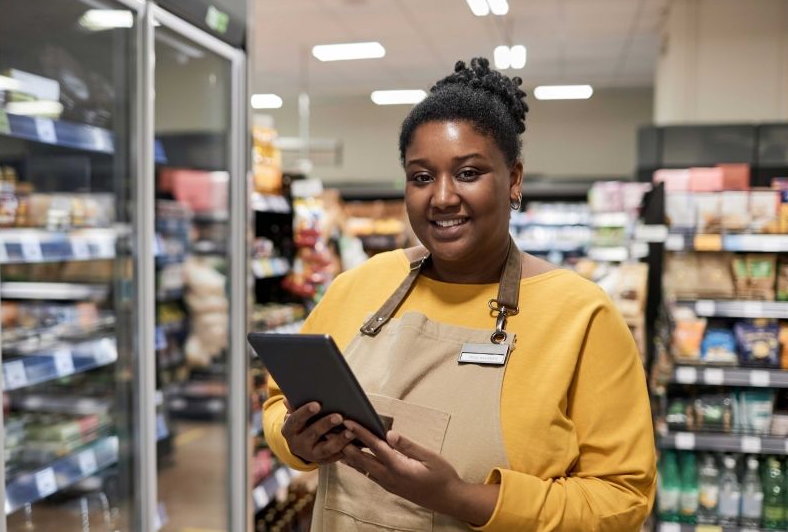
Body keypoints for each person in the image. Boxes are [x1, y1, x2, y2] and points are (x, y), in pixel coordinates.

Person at [261, 57, 656, 531]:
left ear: (514, 179)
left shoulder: (580, 315)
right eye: (421, 177)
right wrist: (296, 444)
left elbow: (623, 497)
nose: (442, 197)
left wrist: (464, 499)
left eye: (468, 173)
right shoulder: (361, 285)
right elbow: (278, 402)